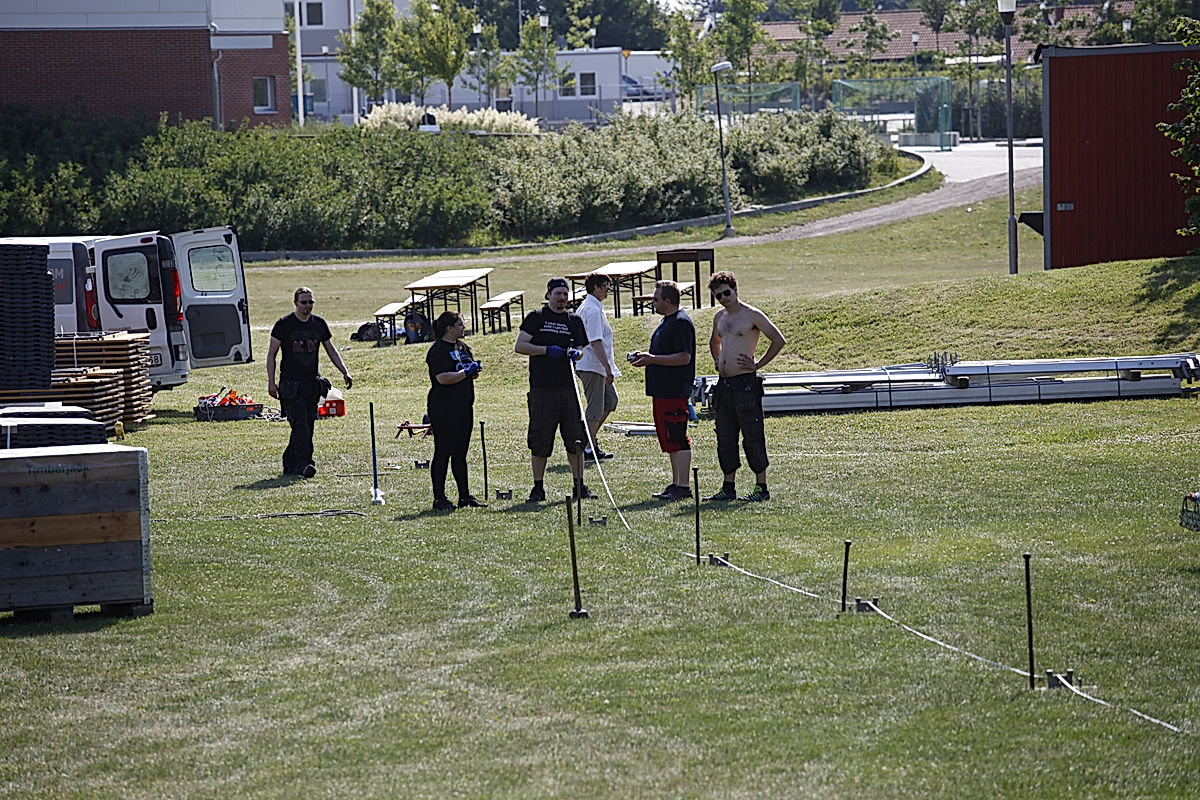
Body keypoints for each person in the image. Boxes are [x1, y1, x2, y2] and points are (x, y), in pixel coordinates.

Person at [706, 271, 786, 502]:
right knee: (725, 436)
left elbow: (778, 339)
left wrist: (758, 363)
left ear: (735, 290)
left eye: (726, 293)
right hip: (724, 386)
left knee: (752, 435)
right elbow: (714, 341)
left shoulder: (751, 315)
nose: (723, 298)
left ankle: (761, 488)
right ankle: (728, 487)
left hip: (746, 385)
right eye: (718, 295)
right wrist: (717, 360)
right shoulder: (719, 317)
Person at [514, 277, 595, 503]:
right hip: (542, 388)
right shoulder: (536, 318)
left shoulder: (574, 320)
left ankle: (579, 485)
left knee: (575, 438)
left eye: (565, 294)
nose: (561, 298)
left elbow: (581, 348)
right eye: (557, 294)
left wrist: (575, 354)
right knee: (540, 439)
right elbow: (520, 346)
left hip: (569, 389)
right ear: (548, 295)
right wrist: (546, 350)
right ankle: (538, 487)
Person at [266, 286, 353, 478]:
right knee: (300, 425)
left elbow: (331, 350)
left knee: (308, 424)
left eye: (310, 302)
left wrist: (344, 372)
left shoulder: (319, 324)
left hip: (311, 384)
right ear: (295, 303)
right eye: (304, 302)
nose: (308, 306)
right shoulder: (284, 324)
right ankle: (306, 464)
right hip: (291, 384)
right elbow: (272, 354)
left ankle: (290, 463)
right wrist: (271, 383)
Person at [630, 280, 696, 501]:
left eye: (655, 299)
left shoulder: (681, 323)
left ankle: (684, 487)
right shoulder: (667, 321)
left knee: (677, 436)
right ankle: (676, 483)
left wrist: (653, 359)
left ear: (668, 301)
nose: (652, 302)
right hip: (662, 391)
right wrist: (647, 357)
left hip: (674, 390)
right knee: (669, 438)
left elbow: (684, 357)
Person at [426, 311, 485, 512]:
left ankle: (464, 496)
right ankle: (439, 498)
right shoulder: (437, 351)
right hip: (443, 408)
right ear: (449, 328)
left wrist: (473, 370)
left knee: (460, 453)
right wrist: (464, 373)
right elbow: (442, 378)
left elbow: (467, 373)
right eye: (460, 324)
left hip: (464, 406)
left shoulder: (462, 347)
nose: (463, 327)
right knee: (443, 451)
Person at [575, 272, 620, 461]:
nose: (608, 288)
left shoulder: (593, 307)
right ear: (595, 287)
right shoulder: (592, 310)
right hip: (592, 365)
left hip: (597, 365)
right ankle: (587, 448)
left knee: (611, 401)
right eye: (605, 285)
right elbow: (595, 342)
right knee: (595, 407)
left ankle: (588, 442)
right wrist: (608, 368)